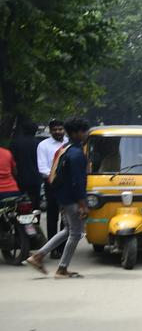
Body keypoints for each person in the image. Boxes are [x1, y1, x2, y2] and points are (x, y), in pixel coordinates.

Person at [25, 117, 89, 278]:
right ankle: (62, 269)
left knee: (68, 230)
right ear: (75, 133)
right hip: (73, 199)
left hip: (62, 196)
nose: (86, 134)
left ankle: (38, 256)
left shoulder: (64, 149)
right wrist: (83, 204)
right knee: (76, 234)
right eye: (83, 131)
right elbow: (77, 182)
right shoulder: (76, 154)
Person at [37, 119, 66, 241]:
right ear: (50, 131)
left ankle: (63, 245)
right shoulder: (43, 145)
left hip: (67, 184)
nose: (58, 132)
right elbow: (42, 167)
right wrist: (54, 177)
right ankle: (52, 245)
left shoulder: (69, 143)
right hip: (51, 183)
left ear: (64, 130)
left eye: (60, 129)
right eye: (55, 130)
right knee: (52, 215)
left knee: (66, 216)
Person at [10, 120, 42, 208]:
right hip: (36, 177)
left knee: (18, 202)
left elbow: (12, 160)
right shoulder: (39, 144)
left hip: (19, 177)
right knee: (36, 200)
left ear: (23, 130)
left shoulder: (15, 143)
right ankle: (36, 219)